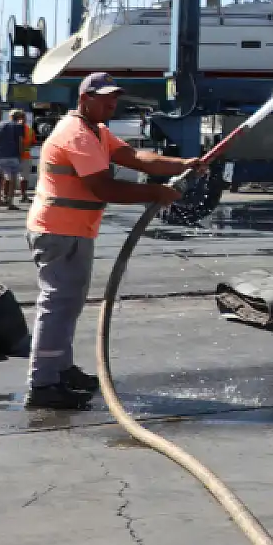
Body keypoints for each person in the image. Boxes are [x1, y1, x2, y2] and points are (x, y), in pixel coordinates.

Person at [23, 72, 198, 410]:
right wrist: (156, 192)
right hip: (59, 231)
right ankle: (43, 383)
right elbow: (104, 188)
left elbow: (134, 157)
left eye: (115, 98)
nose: (112, 104)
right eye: (104, 97)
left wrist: (183, 164)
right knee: (58, 305)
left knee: (67, 305)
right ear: (84, 99)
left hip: (73, 229)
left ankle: (60, 369)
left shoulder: (96, 132)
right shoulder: (76, 134)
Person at [0, 109, 25, 210]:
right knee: (12, 179)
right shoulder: (19, 126)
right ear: (19, 118)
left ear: (10, 116)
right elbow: (20, 142)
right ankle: (10, 202)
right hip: (13, 155)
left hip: (0, 155)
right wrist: (21, 155)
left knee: (0, 178)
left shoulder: (0, 125)